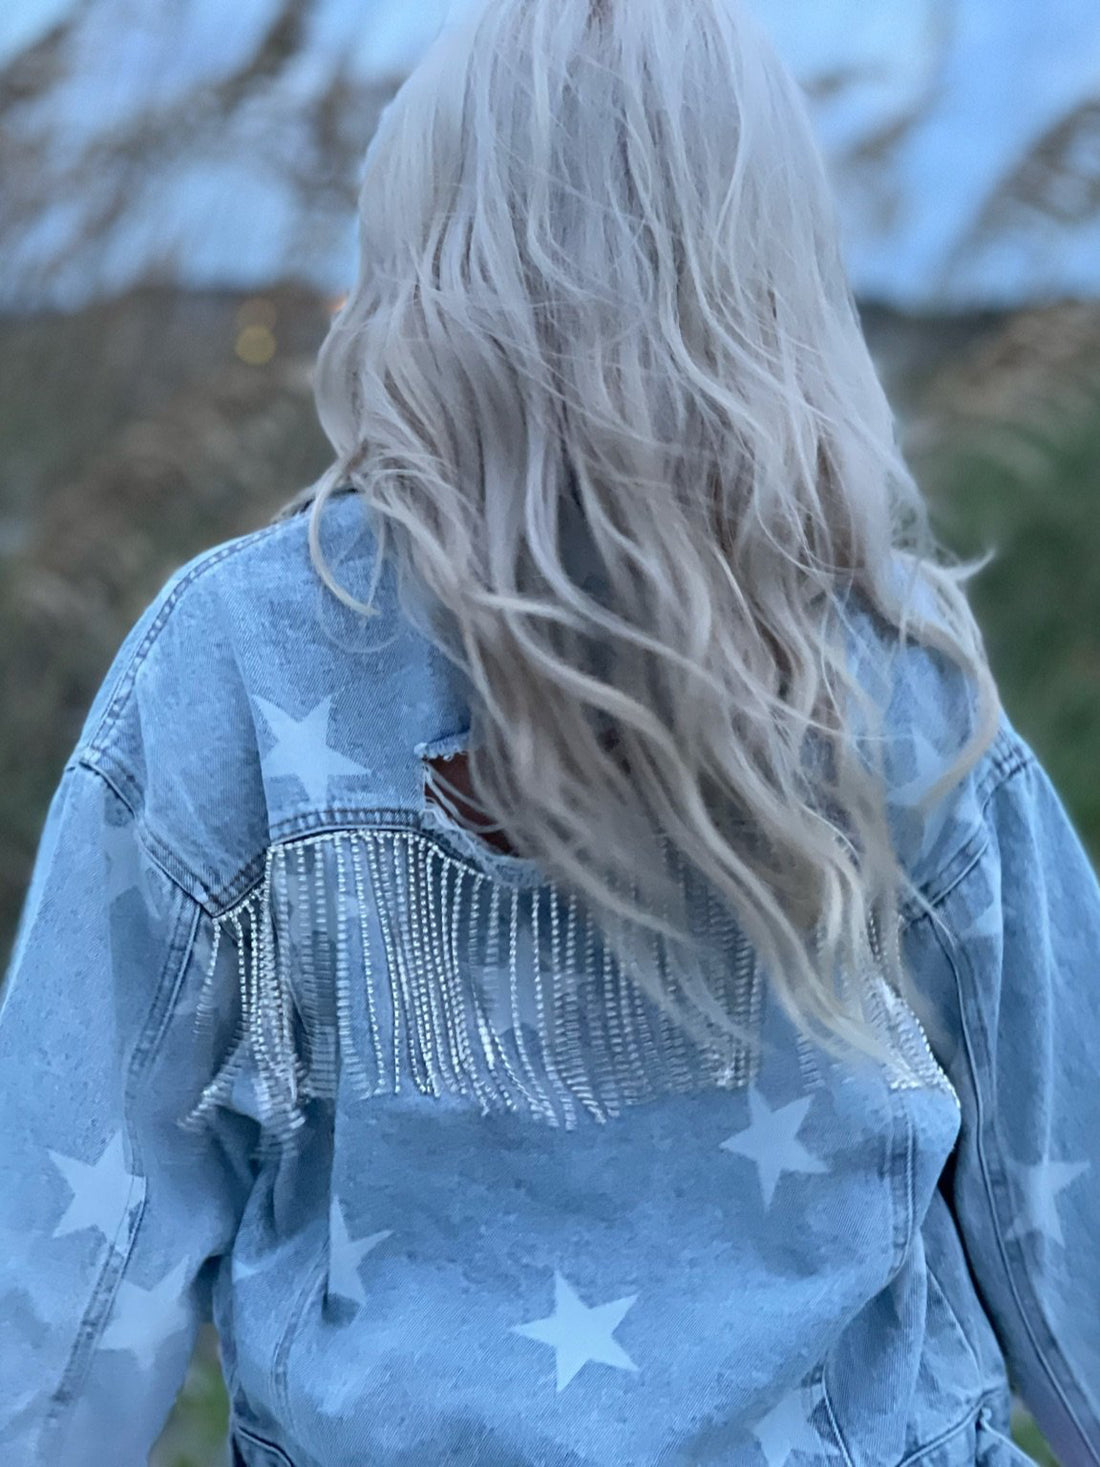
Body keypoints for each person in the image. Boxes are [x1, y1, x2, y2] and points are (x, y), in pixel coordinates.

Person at [2, 0, 1097, 1463]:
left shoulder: (240, 659)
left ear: (411, 249)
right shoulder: (891, 672)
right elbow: (1068, 1222)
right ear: (773, 267)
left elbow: (66, 1289)